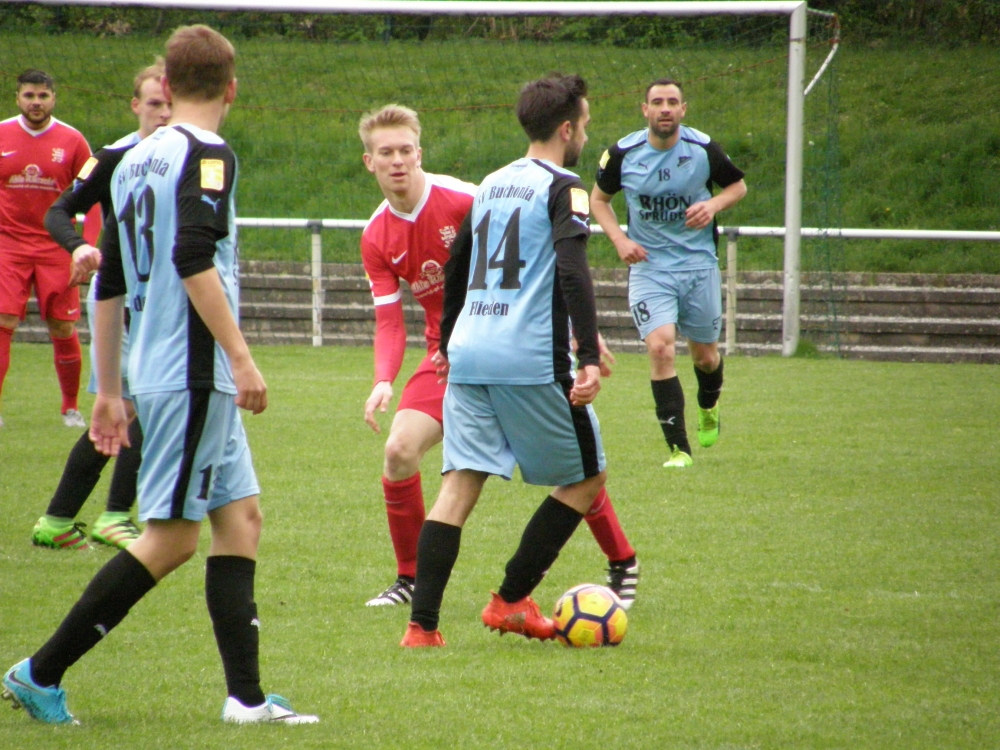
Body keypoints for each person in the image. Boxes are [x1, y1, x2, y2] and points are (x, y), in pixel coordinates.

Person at [2, 25, 318, 725]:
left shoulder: (134, 157)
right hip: (191, 372)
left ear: (167, 88)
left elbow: (109, 279)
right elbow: (194, 257)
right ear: (232, 89)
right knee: (172, 537)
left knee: (241, 520)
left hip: (158, 369)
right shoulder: (207, 153)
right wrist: (241, 356)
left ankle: (246, 700)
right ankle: (38, 672)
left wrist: (109, 390)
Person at [359, 104, 639, 610]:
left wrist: (578, 332)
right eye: (386, 152)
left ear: (420, 153)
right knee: (399, 451)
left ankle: (621, 560)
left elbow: (540, 260)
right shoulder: (376, 234)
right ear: (369, 161)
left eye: (405, 150)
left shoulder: (469, 196)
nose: (397, 160)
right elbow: (390, 322)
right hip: (450, 354)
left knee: (572, 461)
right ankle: (411, 580)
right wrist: (383, 379)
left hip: (511, 339)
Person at [401, 73, 610, 647]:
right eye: (584, 124)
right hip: (528, 357)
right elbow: (573, 270)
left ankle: (421, 628)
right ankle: (511, 600)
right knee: (588, 477)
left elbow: (457, 264)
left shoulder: (491, 184)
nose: (585, 133)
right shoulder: (564, 187)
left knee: (458, 485)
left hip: (471, 352)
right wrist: (589, 355)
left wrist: (446, 344)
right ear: (566, 129)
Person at [30, 60, 170, 552]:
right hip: (123, 302)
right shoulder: (114, 156)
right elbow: (58, 211)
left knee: (139, 407)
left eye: (171, 104)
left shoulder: (187, 155)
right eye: (154, 103)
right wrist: (78, 247)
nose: (164, 113)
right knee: (133, 407)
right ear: (135, 106)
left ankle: (73, 518)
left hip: (163, 304)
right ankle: (101, 516)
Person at [590, 78, 747, 468]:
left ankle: (708, 406)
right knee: (660, 348)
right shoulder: (622, 154)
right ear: (645, 109)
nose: (665, 108)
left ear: (683, 109)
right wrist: (620, 240)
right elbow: (598, 200)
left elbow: (737, 187)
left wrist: (713, 206)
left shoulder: (703, 149)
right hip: (650, 268)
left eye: (672, 102)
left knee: (705, 357)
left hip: (698, 266)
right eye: (657, 102)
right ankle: (679, 449)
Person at [0, 69, 102, 429]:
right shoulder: (2, 133)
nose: (36, 102)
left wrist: (85, 247)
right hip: (8, 244)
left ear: (53, 98)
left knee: (62, 325)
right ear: (18, 98)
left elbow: (93, 199)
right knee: (3, 320)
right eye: (29, 95)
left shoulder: (73, 141)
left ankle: (70, 408)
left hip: (56, 245)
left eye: (43, 96)